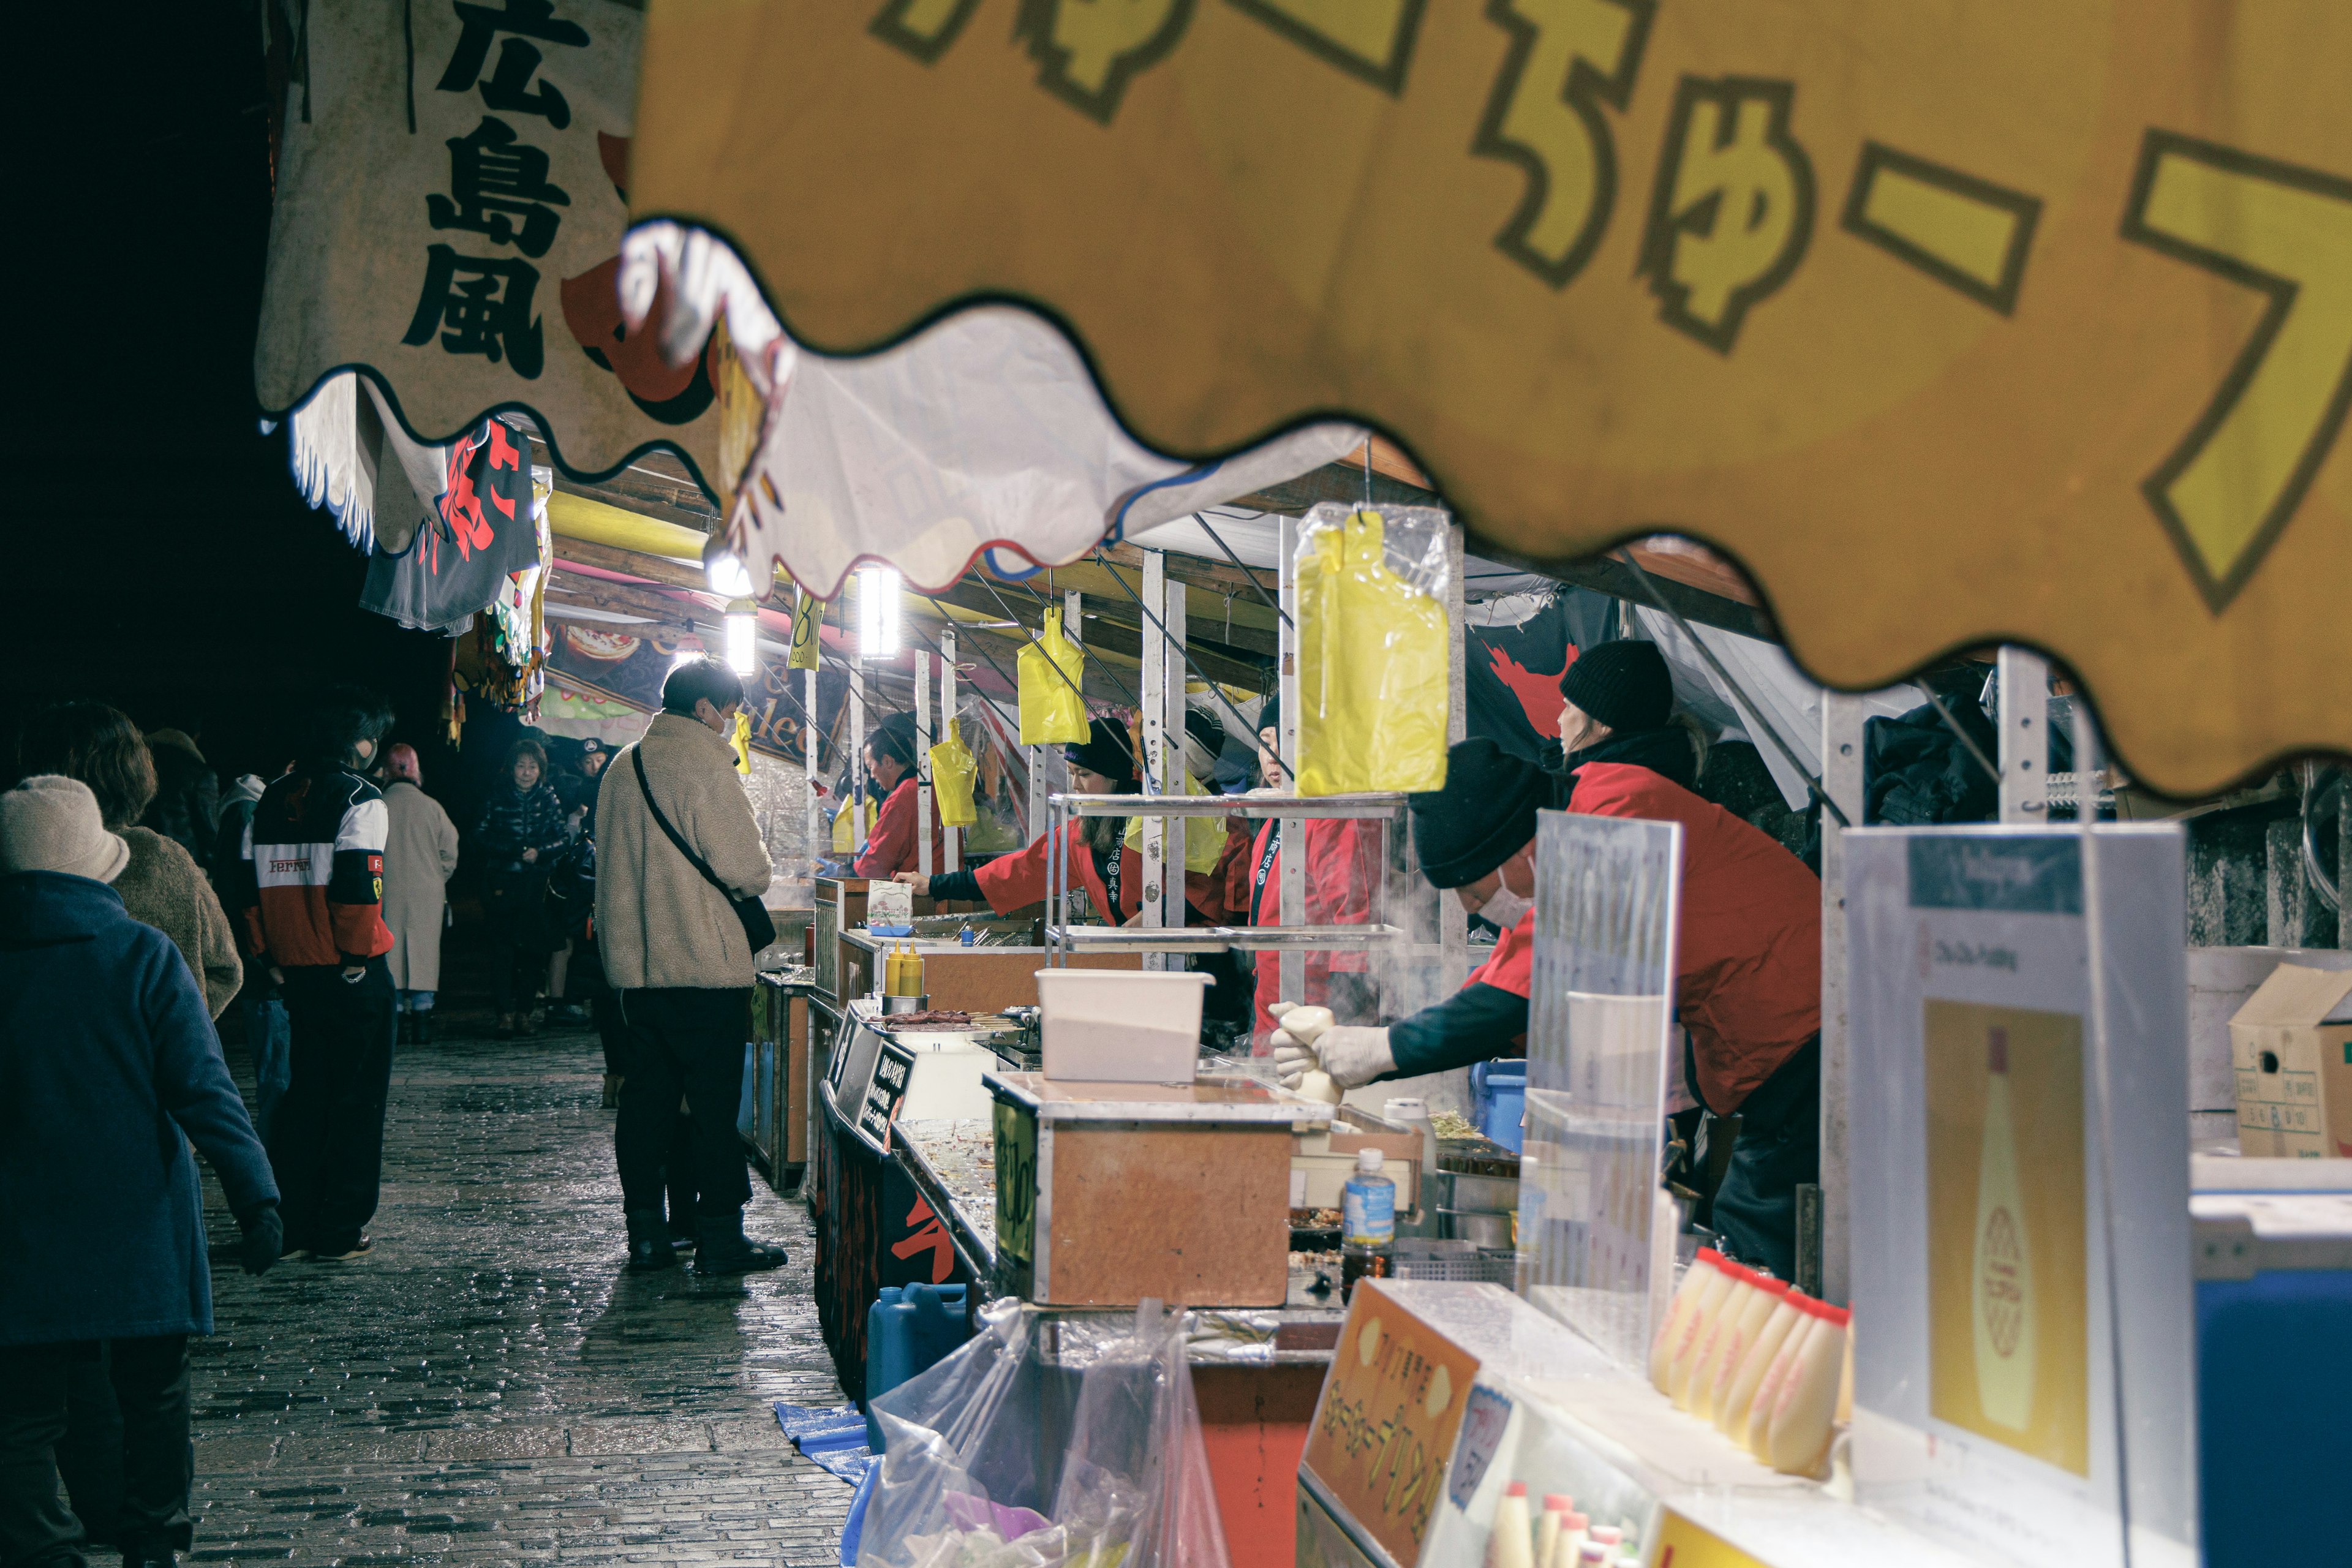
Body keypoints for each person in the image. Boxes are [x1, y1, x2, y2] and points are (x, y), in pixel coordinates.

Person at [1275, 642, 1823, 1277]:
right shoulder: (1590, 799)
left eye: (1477, 893)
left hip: (1804, 1032)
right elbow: (1509, 968)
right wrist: (1363, 1042)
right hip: (1768, 1042)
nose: (1480, 908)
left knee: (1760, 1252)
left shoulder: (1618, 813)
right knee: (1754, 1235)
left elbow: (1517, 990)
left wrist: (1382, 1050)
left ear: (1518, 852)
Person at [0, 775, 281, 1568]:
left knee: (22, 1417)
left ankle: (46, 1550)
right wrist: (254, 1192)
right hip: (139, 1225)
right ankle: (153, 1546)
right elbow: (204, 1087)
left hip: (21, 1230)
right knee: (152, 1400)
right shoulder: (142, 957)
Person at [596, 656, 786, 1276]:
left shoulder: (621, 768)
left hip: (639, 971)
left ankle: (647, 1234)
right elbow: (747, 869)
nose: (731, 724)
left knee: (646, 1101)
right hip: (705, 967)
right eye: (729, 712)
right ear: (705, 709)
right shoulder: (705, 762)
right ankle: (720, 1238)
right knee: (710, 1107)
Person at [224, 685, 399, 1264]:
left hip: (291, 972)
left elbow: (246, 889)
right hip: (350, 975)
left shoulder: (269, 798)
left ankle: (295, 1222)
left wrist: (267, 958)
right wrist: (354, 962)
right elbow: (358, 887)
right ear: (362, 743)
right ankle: (340, 1229)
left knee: (304, 1098)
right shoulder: (362, 798)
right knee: (356, 1102)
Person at [13, 703, 243, 1020]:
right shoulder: (166, 859)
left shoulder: (13, 862)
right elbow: (225, 969)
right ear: (133, 770)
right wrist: (176, 1032)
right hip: (155, 1064)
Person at [1234, 695, 1382, 1050]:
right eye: (1264, 743)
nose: (1271, 757)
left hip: (1316, 1010)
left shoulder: (1331, 814)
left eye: (1283, 742)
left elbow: (1355, 921)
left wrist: (1348, 1027)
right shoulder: (1273, 814)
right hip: (1272, 1002)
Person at [895, 717, 1145, 922]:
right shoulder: (1077, 834)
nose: (1076, 785)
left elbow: (1182, 886)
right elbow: (1016, 873)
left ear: (1114, 775)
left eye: (1085, 774)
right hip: (1127, 954)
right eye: (1072, 774)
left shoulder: (1152, 820)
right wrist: (934, 884)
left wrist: (1144, 924)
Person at [210, 764, 292, 1139]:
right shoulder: (250, 813)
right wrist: (266, 962)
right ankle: (277, 1160)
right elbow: (244, 897)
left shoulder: (249, 809)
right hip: (268, 969)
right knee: (278, 1077)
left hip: (270, 963)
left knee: (280, 1073)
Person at [475, 738, 568, 1038]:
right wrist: (512, 850)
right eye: (521, 765)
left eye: (533, 767)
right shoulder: (497, 796)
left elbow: (564, 838)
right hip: (503, 882)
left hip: (536, 885)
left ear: (541, 771)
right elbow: (478, 836)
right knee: (502, 952)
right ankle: (503, 1014)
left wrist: (539, 851)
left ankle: (525, 1014)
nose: (526, 772)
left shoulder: (549, 797)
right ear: (511, 768)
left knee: (532, 953)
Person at [380, 744, 458, 1045]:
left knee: (391, 955)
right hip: (428, 893)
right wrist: (437, 876)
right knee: (424, 957)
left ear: (386, 771)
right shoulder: (433, 808)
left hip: (387, 890)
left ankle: (397, 1024)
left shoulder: (377, 806)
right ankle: (423, 1025)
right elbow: (450, 852)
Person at [850, 712, 946, 881]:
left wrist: (847, 873)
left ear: (887, 762)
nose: (871, 775)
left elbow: (882, 858)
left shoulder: (904, 796)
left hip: (920, 891)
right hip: (942, 882)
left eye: (871, 766)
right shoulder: (932, 785)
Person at [137, 726, 217, 862]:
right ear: (196, 736)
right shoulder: (199, 773)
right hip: (184, 864)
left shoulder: (133, 764)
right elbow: (210, 833)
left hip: (135, 859)